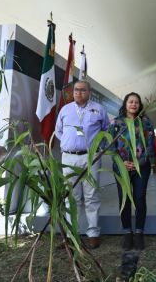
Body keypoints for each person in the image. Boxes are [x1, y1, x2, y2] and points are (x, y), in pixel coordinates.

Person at [55, 80, 109, 249]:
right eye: (76, 90)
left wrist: (97, 148)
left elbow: (105, 131)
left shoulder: (99, 109)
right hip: (69, 158)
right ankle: (72, 235)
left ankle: (93, 234)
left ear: (89, 92)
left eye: (83, 90)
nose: (79, 92)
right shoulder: (65, 109)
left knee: (91, 196)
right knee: (72, 197)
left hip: (90, 158)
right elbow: (59, 131)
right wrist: (70, 143)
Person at [109, 92, 156, 251]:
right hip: (121, 167)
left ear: (140, 105)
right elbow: (109, 146)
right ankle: (127, 233)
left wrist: (137, 163)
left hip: (141, 167)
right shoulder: (116, 122)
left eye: (136, 102)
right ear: (125, 104)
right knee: (124, 199)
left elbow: (150, 147)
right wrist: (123, 162)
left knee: (139, 198)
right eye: (131, 102)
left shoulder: (145, 122)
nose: (134, 104)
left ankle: (139, 233)